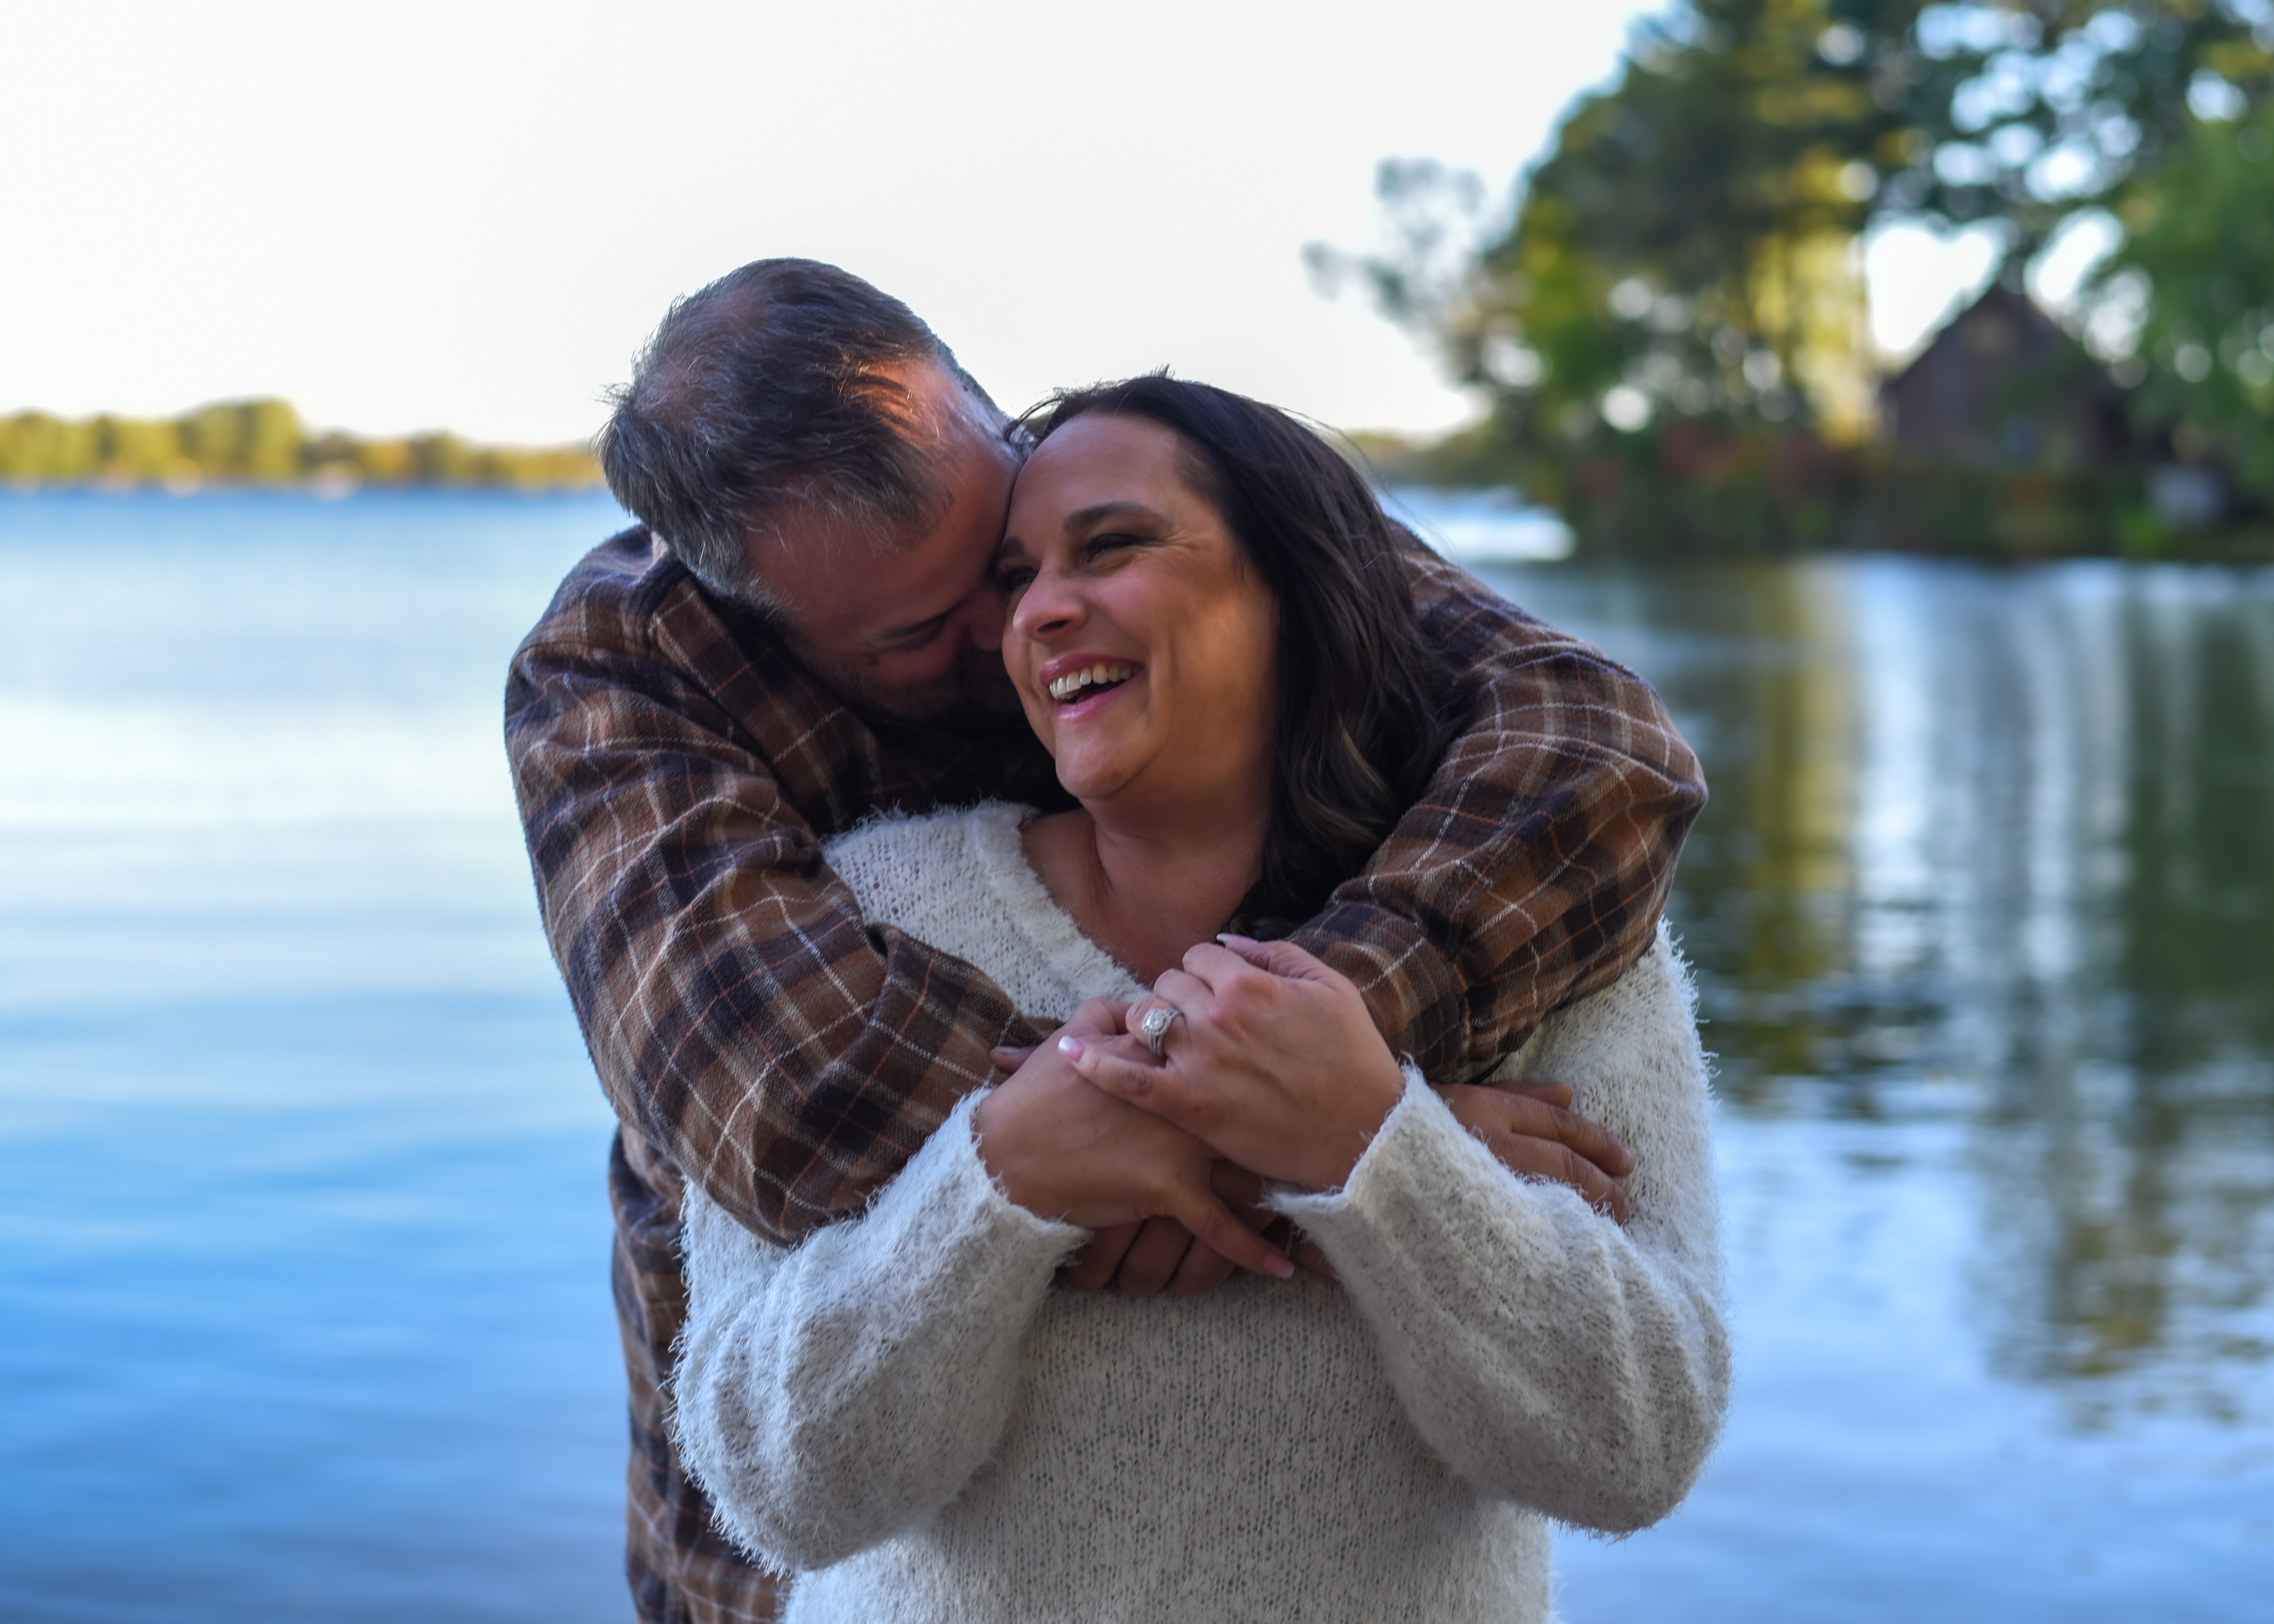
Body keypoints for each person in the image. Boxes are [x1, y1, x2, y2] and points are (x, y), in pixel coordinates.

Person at [503, 259, 1707, 1623]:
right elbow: (802, 1093)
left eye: (1012, 544)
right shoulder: (626, 677)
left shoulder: (1141, 489)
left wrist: (1345, 1085)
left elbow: (1594, 746)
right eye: (927, 628)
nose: (1015, 621)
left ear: (975, 413)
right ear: (755, 609)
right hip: (773, 1563)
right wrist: (1352, 1140)